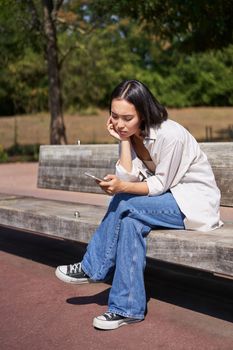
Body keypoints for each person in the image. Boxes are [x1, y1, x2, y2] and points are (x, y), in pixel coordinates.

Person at [55, 79, 223, 330]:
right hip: (163, 203)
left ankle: (92, 267)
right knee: (131, 222)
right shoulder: (133, 135)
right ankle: (127, 308)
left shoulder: (171, 135)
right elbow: (127, 177)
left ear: (143, 113)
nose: (120, 124)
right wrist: (123, 140)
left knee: (124, 201)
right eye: (114, 116)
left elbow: (158, 186)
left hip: (192, 203)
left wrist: (121, 189)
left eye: (127, 118)